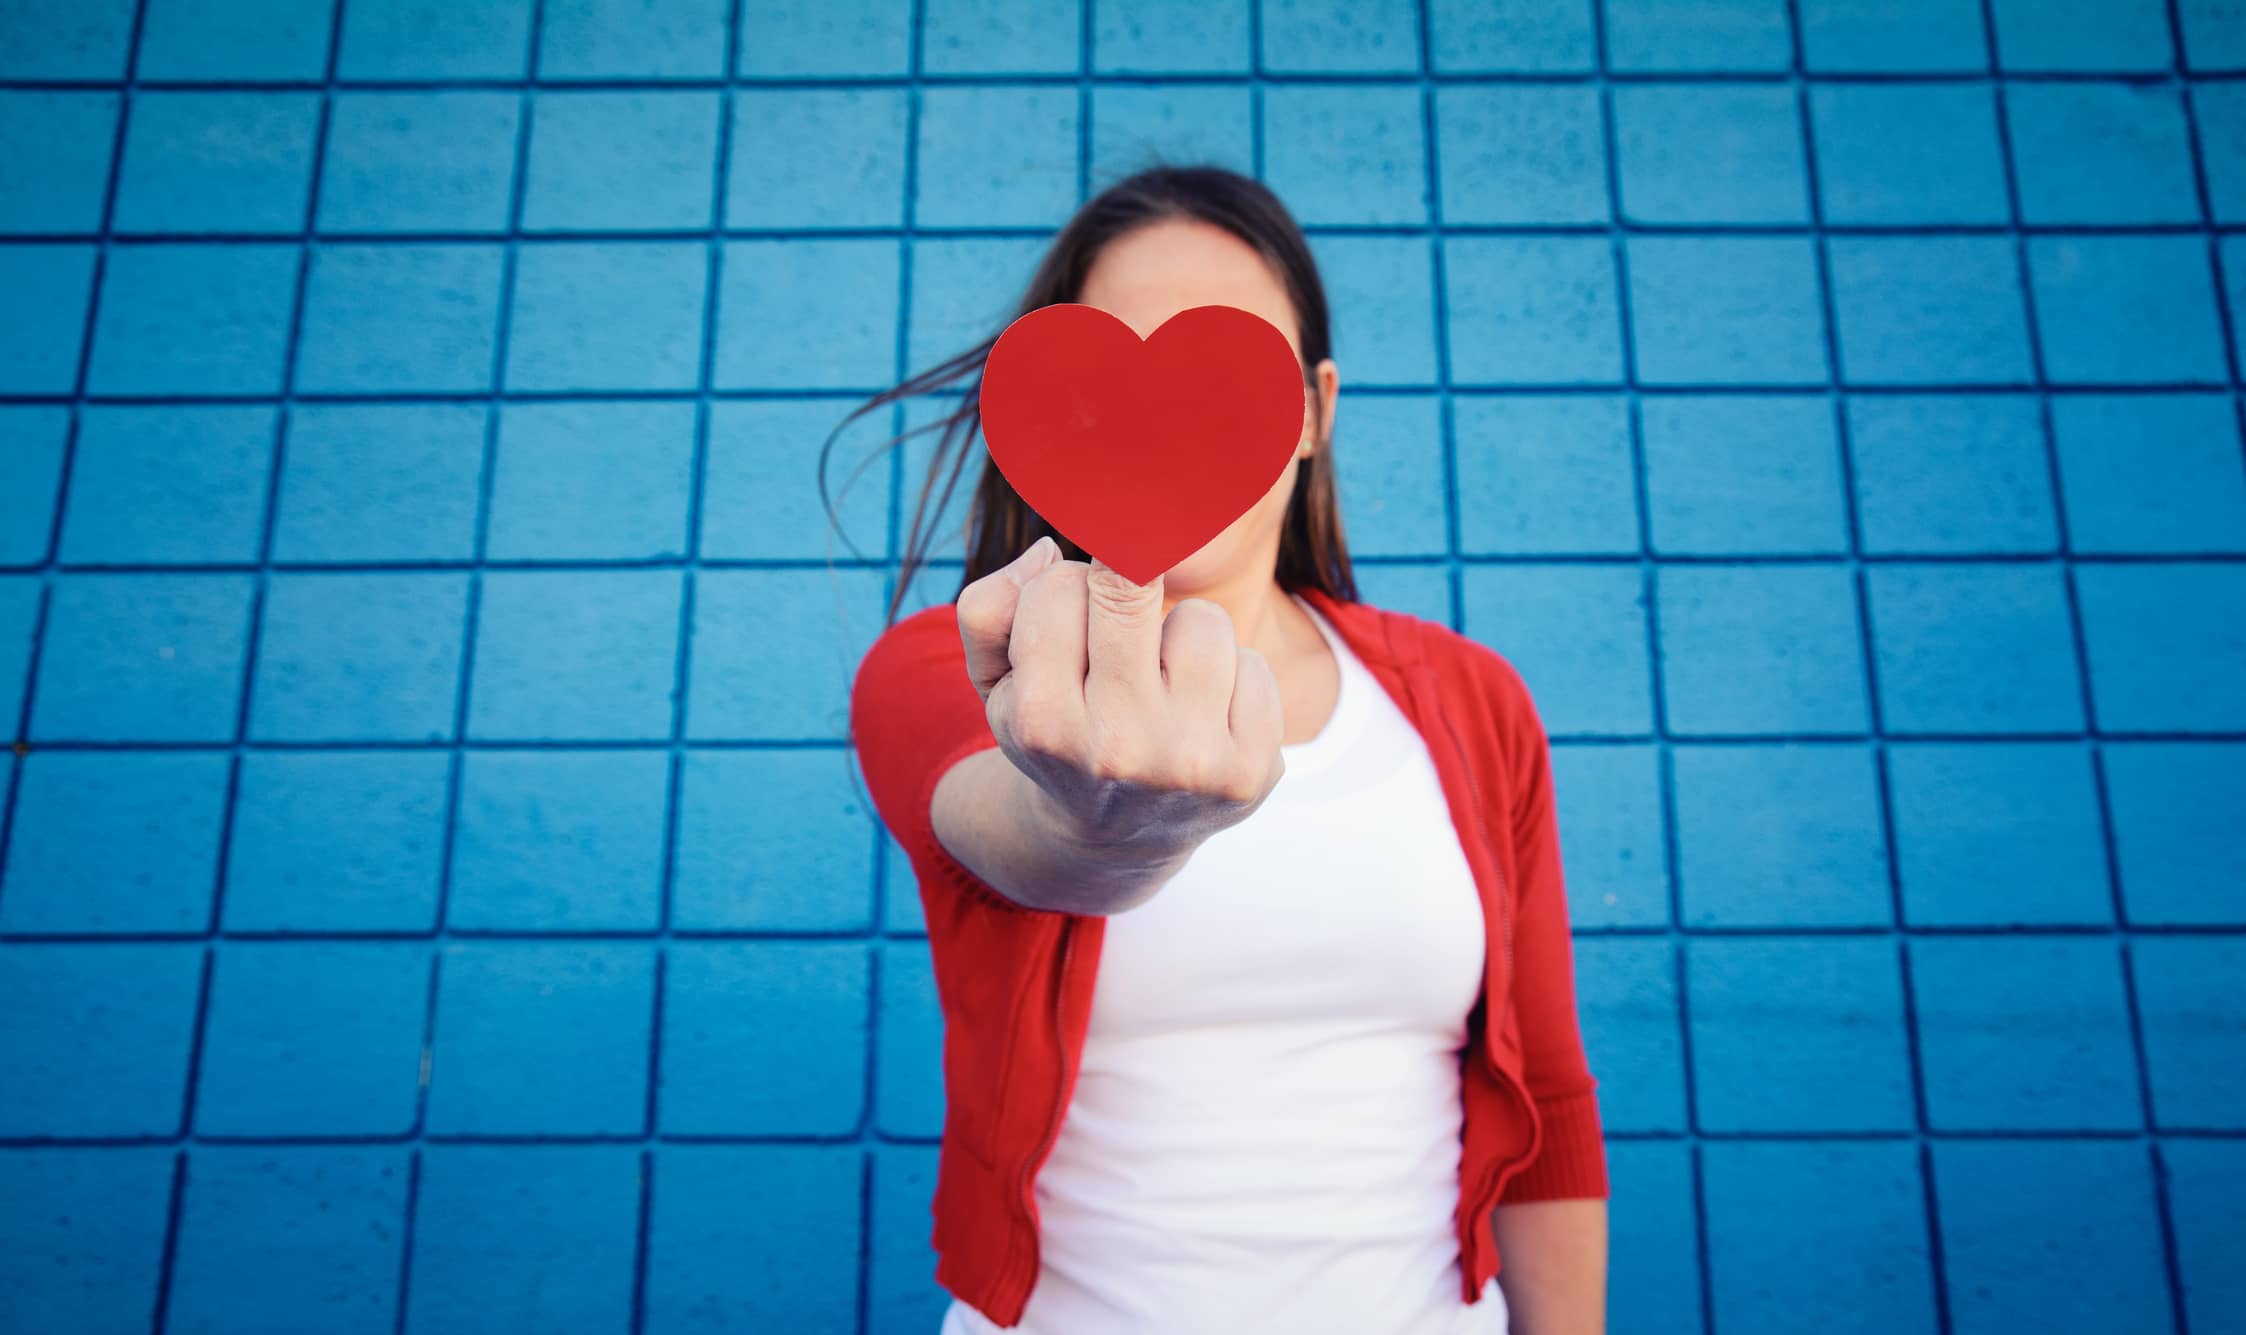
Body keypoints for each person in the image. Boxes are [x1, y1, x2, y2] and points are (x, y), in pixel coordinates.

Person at [842, 165, 1609, 1334]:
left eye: (1225, 364)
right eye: (1118, 363)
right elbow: (1017, 832)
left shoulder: (1470, 700)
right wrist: (1100, 833)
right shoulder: (947, 671)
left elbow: (1544, 1095)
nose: (1165, 419)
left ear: (1310, 414)